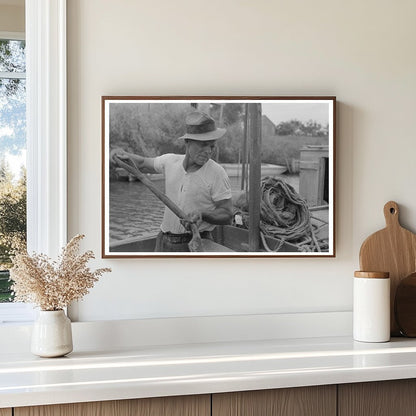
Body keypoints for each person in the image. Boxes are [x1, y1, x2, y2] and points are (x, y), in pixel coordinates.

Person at [111, 111, 233, 252]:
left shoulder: (217, 173)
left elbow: (227, 214)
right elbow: (143, 163)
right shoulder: (170, 161)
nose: (208, 151)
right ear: (187, 142)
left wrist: (202, 214)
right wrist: (121, 155)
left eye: (211, 146)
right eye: (203, 145)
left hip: (196, 242)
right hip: (163, 240)